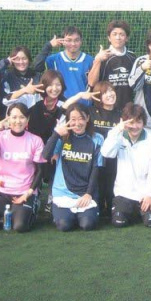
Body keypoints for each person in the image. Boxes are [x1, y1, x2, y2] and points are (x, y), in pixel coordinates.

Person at [0, 104, 44, 232]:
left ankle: (31, 206)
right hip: (0, 190)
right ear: (8, 118)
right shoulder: (0, 136)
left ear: (28, 119)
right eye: (14, 117)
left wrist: (28, 193)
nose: (18, 121)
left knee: (20, 226)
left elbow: (40, 170)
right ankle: (5, 211)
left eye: (22, 117)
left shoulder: (36, 140)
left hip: (23, 191)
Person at [43, 103, 103, 231]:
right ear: (68, 120)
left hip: (85, 193)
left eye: (81, 118)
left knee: (87, 224)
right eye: (73, 119)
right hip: (63, 193)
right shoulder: (62, 137)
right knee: (64, 225)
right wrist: (56, 134)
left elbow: (96, 168)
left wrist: (88, 194)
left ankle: (82, 215)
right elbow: (45, 156)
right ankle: (67, 215)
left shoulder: (97, 139)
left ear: (87, 118)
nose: (77, 123)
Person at [64, 81, 121, 217]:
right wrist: (80, 95)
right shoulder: (90, 112)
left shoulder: (120, 114)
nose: (110, 94)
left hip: (113, 158)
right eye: (105, 92)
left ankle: (111, 208)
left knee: (111, 187)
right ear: (98, 96)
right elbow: (65, 108)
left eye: (111, 90)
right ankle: (97, 208)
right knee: (97, 186)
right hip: (92, 158)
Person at [101, 103, 151, 228]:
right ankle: (130, 211)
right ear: (124, 122)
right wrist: (117, 130)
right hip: (124, 192)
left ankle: (143, 211)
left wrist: (150, 194)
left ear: (144, 123)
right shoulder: (118, 136)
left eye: (138, 122)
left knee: (150, 223)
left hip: (145, 193)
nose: (135, 126)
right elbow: (106, 153)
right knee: (119, 223)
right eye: (131, 122)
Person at [27, 69, 66, 212]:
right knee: (32, 168)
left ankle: (51, 199)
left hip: (53, 145)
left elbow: (62, 131)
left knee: (55, 163)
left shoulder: (64, 104)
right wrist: (24, 91)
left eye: (58, 85)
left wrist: (57, 151)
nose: (54, 88)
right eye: (50, 85)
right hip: (33, 144)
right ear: (44, 85)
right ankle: (34, 195)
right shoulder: (34, 99)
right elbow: (7, 101)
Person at [32, 26, 94, 102]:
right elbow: (37, 67)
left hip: (84, 105)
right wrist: (49, 45)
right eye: (69, 40)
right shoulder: (53, 60)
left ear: (81, 41)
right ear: (63, 41)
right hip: (61, 105)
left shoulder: (90, 60)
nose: (73, 43)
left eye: (76, 40)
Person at [87, 20, 136, 109]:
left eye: (121, 34)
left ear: (127, 38)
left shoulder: (132, 57)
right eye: (114, 34)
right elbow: (91, 83)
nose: (118, 37)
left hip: (127, 109)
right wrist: (98, 60)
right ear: (109, 38)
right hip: (105, 109)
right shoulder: (102, 57)